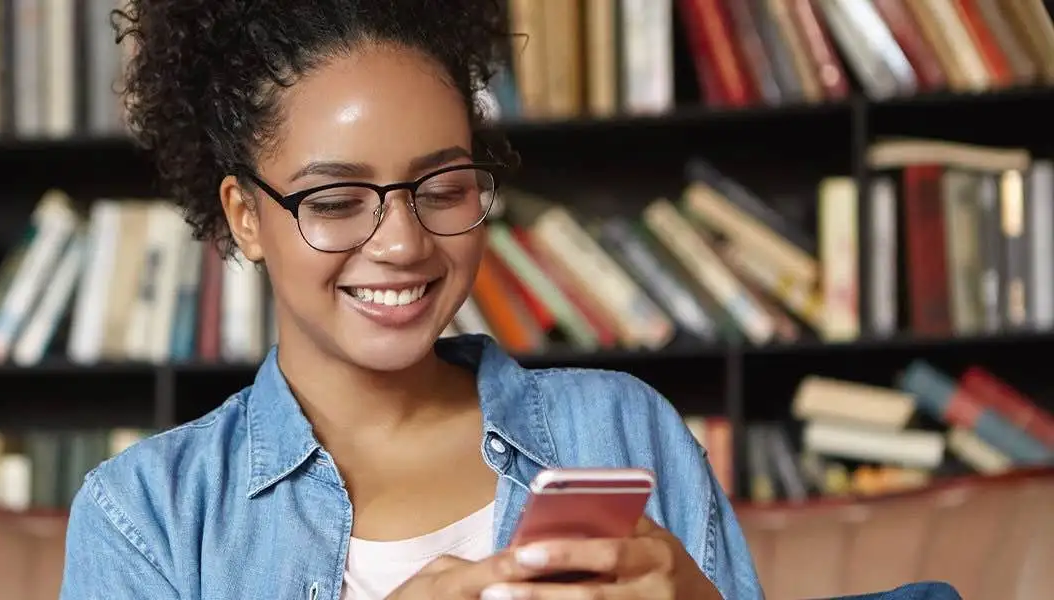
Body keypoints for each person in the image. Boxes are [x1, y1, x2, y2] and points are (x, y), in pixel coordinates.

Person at [60, 1, 762, 599]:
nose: (403, 243)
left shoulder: (620, 432)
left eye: (444, 188)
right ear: (246, 216)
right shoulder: (145, 517)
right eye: (336, 200)